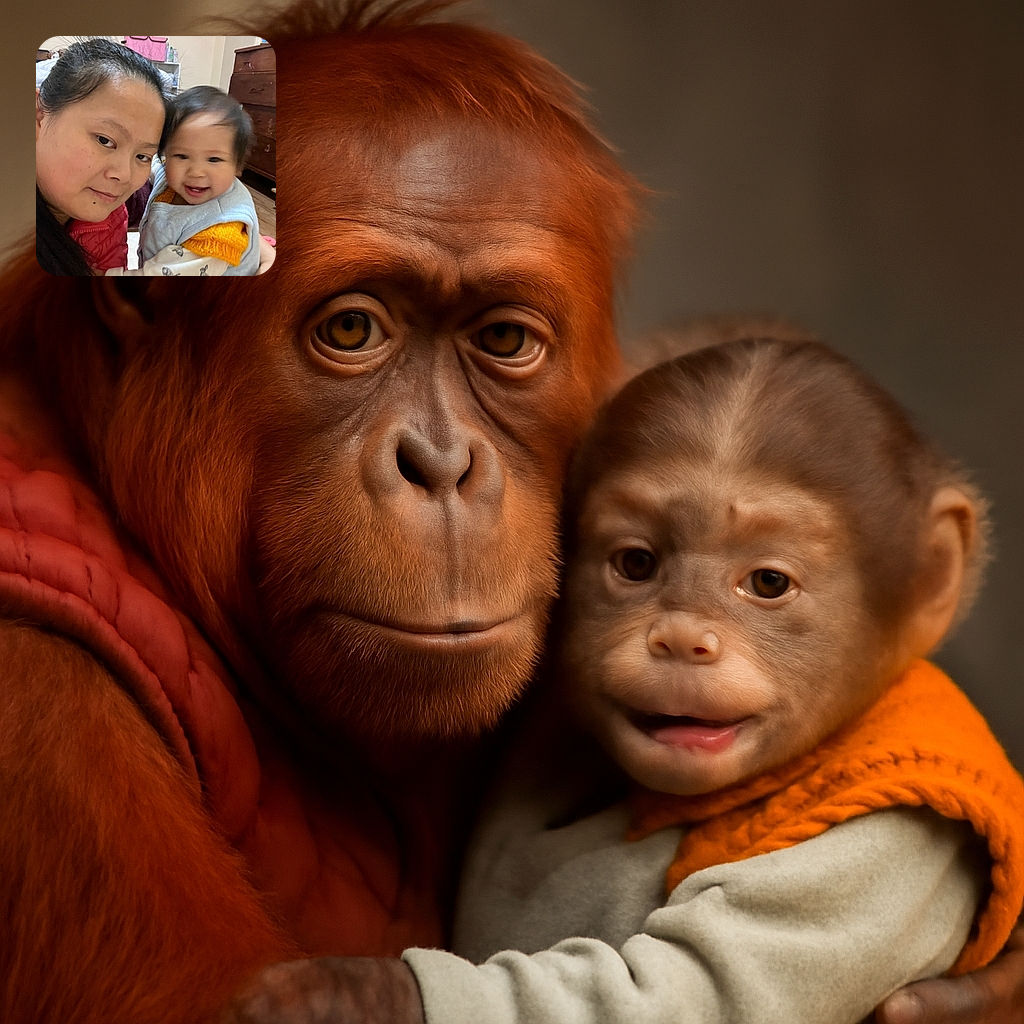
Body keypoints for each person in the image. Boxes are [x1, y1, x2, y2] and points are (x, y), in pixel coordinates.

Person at [224, 337, 1024, 1024]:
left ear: (926, 582)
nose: (684, 632)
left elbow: (683, 1004)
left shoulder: (899, 818)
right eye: (635, 564)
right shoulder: (571, 706)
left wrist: (406, 1004)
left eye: (769, 584)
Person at [35, 37, 168, 275]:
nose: (125, 176)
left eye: (143, 156)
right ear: (38, 116)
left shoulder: (116, 208)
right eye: (104, 140)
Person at [108, 85, 262, 276]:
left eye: (214, 159)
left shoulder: (220, 234)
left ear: (238, 166)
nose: (196, 172)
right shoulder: (170, 175)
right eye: (182, 156)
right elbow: (156, 167)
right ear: (166, 154)